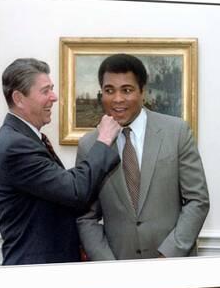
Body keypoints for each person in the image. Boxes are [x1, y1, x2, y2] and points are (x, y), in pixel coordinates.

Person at [0, 58, 121, 265]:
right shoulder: (15, 146)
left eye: (52, 89)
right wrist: (103, 140)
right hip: (37, 272)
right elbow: (75, 191)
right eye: (45, 91)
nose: (54, 97)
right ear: (19, 98)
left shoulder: (25, 138)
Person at [76, 54, 209, 260]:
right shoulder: (90, 145)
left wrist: (169, 253)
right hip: (117, 269)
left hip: (174, 264)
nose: (118, 99)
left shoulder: (176, 132)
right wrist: (107, 264)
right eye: (109, 90)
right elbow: (86, 217)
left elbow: (197, 200)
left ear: (142, 92)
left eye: (127, 90)